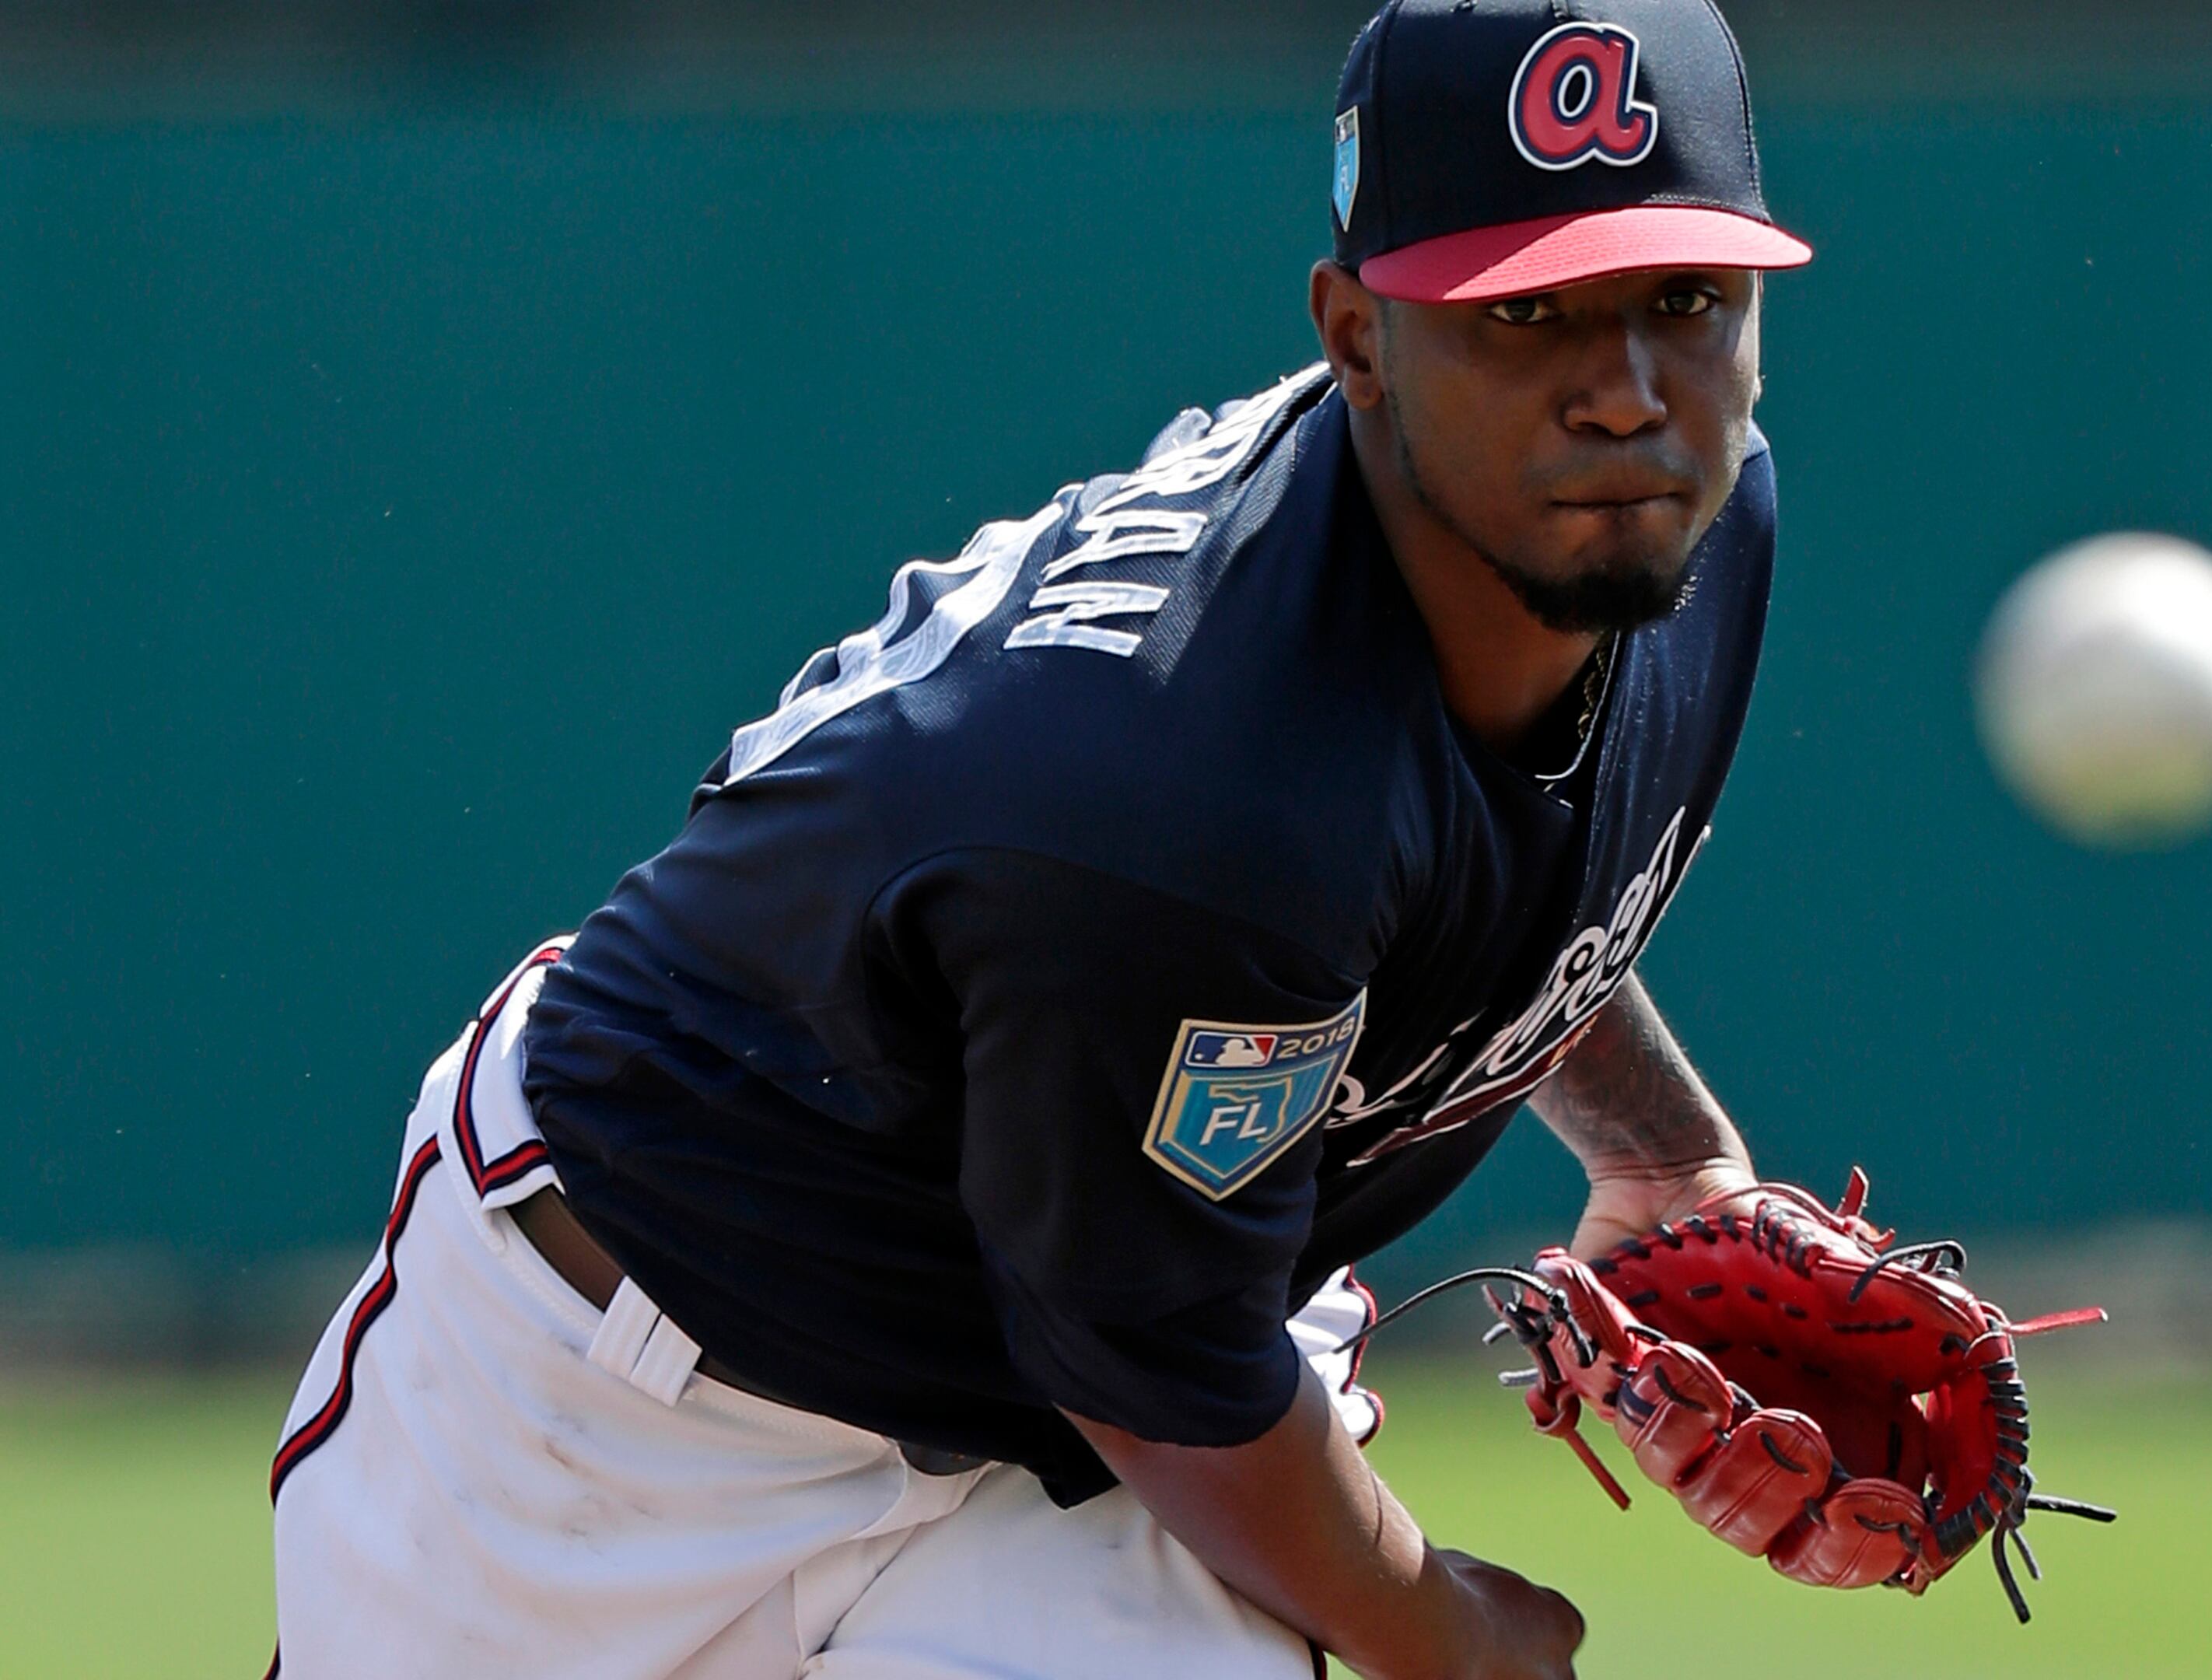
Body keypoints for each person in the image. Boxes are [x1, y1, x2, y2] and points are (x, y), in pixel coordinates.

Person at [268, 2, 1811, 1675]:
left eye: (1686, 299)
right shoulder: (1192, 783)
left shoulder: (1678, 544)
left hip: (1093, 1406)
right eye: (1525, 313)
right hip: (626, 1389)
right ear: (1357, 337)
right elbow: (1167, 1377)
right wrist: (1446, 1634)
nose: (1627, 394)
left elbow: (1492, 872)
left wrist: (1668, 1158)